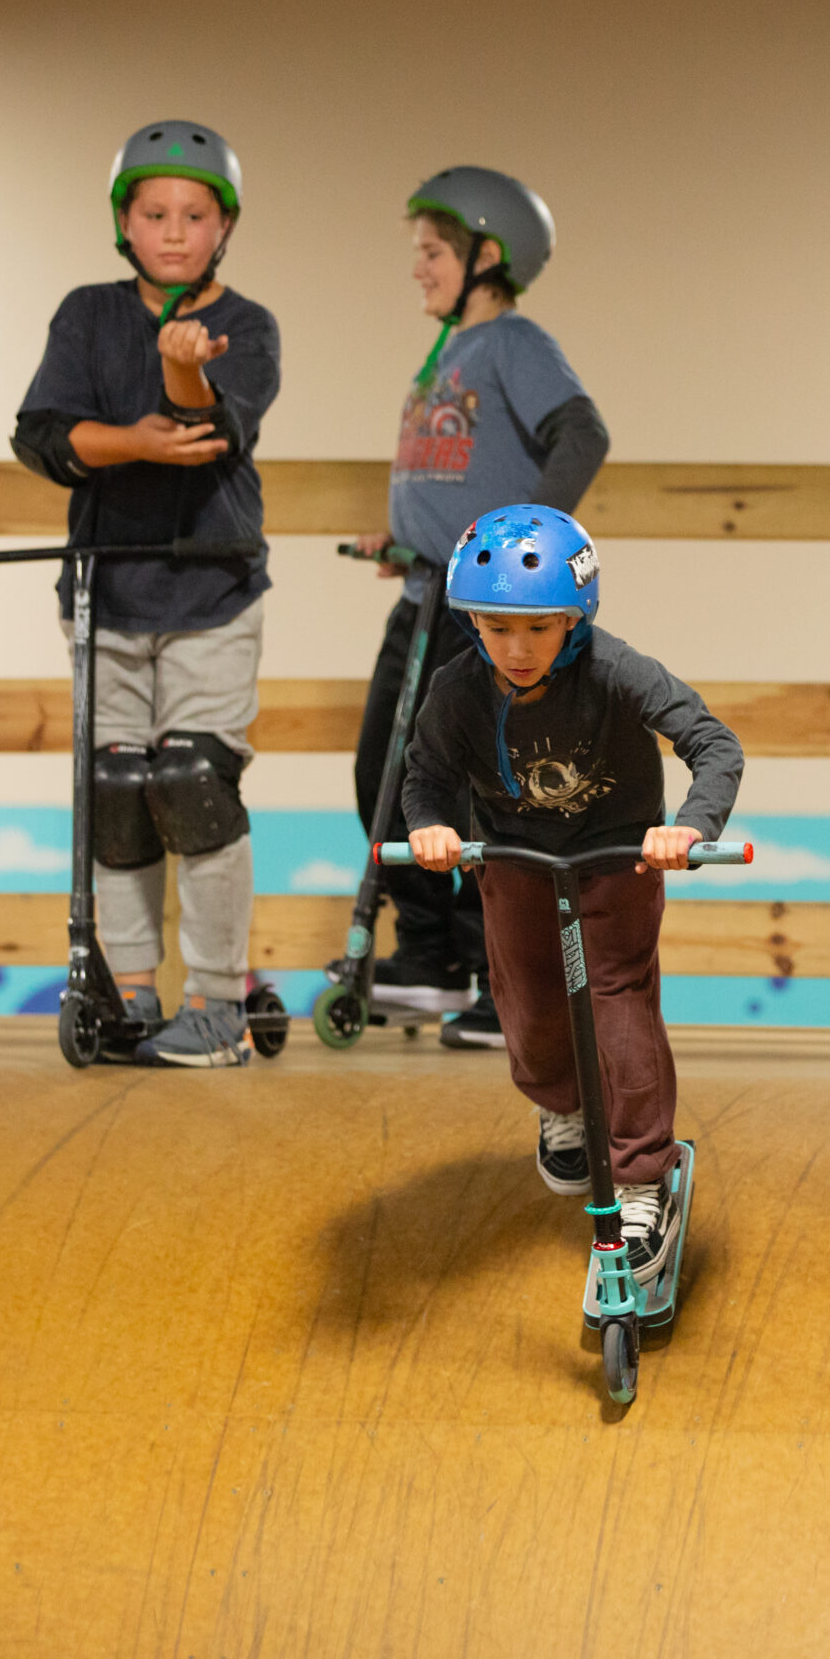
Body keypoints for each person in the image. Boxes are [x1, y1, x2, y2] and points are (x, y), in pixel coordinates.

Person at [403, 506, 741, 1281]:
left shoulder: (617, 670)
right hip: (516, 859)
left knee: (619, 1008)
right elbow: (426, 776)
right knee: (524, 997)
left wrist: (688, 827)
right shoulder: (458, 690)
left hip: (619, 859)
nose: (516, 650)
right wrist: (430, 827)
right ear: (473, 624)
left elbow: (713, 743)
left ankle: (641, 1176)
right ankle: (561, 1105)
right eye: (496, 628)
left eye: (539, 629)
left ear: (575, 618)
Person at [11, 119, 282, 1068]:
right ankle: (127, 991)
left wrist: (180, 369)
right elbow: (44, 436)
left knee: (192, 783)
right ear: (123, 221)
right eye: (154, 212)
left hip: (210, 587)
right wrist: (131, 437)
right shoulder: (86, 314)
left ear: (224, 226)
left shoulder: (245, 327)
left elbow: (211, 433)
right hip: (104, 587)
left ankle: (217, 999)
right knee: (117, 789)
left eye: (194, 215)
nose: (173, 231)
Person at [351, 167, 611, 1051]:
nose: (418, 268)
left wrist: (526, 553)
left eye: (433, 252)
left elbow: (584, 434)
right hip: (425, 592)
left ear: (486, 256)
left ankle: (504, 982)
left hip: (478, 615)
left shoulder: (513, 342)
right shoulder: (444, 356)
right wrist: (405, 538)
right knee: (386, 777)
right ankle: (432, 955)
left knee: (482, 793)